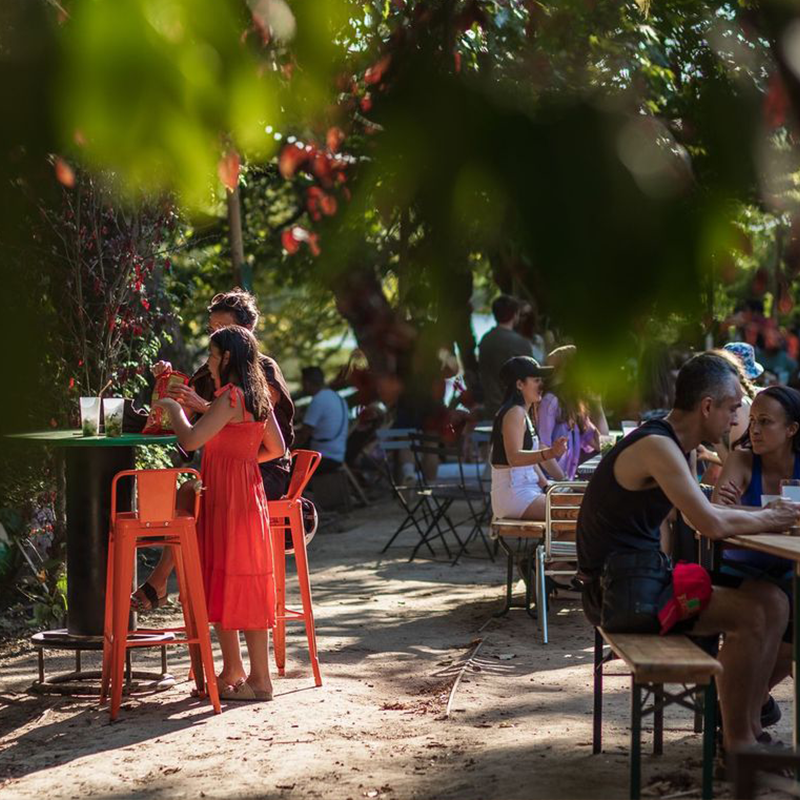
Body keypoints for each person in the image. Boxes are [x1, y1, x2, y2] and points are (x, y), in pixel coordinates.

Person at [576, 352, 800, 752]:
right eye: (734, 409)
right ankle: (738, 743)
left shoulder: (670, 444)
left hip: (637, 581)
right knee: (754, 613)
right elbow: (709, 523)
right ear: (707, 406)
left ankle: (750, 730)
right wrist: (771, 515)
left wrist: (760, 514)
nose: (737, 421)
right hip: (619, 594)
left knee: (775, 602)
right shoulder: (658, 447)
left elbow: (712, 513)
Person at [132, 288, 294, 611]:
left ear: (244, 332)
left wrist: (204, 407)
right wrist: (166, 383)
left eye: (221, 331)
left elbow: (249, 419)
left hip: (262, 471)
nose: (215, 338)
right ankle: (179, 585)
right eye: (211, 331)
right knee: (185, 496)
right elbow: (179, 421)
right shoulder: (210, 372)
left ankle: (179, 585)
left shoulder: (262, 372)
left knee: (194, 499)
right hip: (227, 469)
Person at [155, 325, 285, 701]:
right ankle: (236, 670)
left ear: (227, 358)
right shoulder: (256, 394)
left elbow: (192, 440)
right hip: (245, 492)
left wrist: (175, 410)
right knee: (237, 578)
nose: (208, 363)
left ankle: (260, 681)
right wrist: (240, 460)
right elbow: (275, 447)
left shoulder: (230, 396)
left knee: (235, 576)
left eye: (212, 355)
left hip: (230, 497)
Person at [712, 385, 800, 724]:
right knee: (769, 608)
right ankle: (745, 717)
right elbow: (717, 516)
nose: (755, 429)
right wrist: (768, 516)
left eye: (766, 421)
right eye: (753, 420)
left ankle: (748, 700)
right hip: (739, 572)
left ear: (792, 429)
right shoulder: (743, 459)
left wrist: (745, 515)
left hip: (789, 572)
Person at [490, 356, 568, 519]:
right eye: (536, 380)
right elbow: (515, 458)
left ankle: (551, 545)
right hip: (514, 495)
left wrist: (560, 484)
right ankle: (552, 545)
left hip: (526, 491)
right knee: (574, 514)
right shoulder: (514, 413)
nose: (542, 385)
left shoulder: (523, 412)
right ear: (519, 384)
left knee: (578, 506)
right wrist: (551, 452)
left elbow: (532, 460)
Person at [537, 346, 600, 481]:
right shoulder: (550, 400)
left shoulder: (573, 402)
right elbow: (541, 447)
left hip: (566, 480)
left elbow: (600, 444)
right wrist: (563, 482)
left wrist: (598, 405)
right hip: (552, 482)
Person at [478, 295, 535, 419]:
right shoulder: (521, 343)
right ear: (515, 315)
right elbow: (532, 376)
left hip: (491, 408)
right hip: (515, 409)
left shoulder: (485, 340)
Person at [294, 366, 349, 475]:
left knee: (282, 464)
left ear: (307, 383)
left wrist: (287, 451)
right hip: (339, 455)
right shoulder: (338, 398)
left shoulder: (318, 400)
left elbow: (305, 434)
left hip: (323, 458)